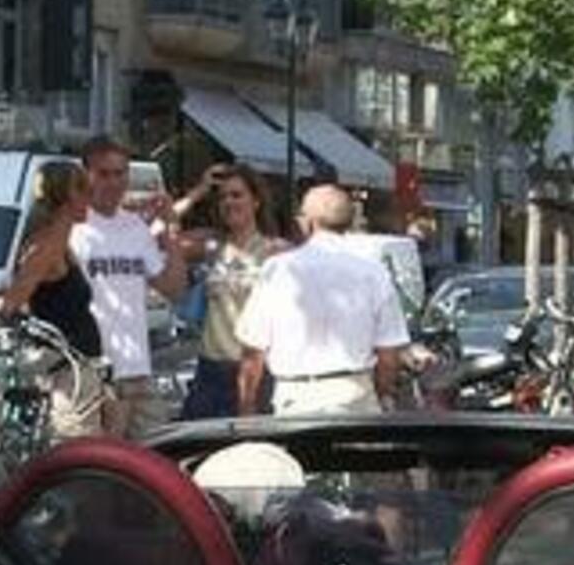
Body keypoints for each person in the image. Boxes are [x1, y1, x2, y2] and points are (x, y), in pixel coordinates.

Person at [235, 184, 412, 415]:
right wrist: (383, 394)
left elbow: (253, 350)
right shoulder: (373, 273)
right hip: (354, 395)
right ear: (349, 222)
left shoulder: (278, 270)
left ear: (307, 223)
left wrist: (246, 405)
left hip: (296, 398)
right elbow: (388, 354)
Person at [67, 136, 193, 438]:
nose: (113, 182)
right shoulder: (73, 228)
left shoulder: (135, 227)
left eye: (120, 173)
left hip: (137, 369)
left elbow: (174, 289)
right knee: (98, 467)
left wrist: (172, 232)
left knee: (159, 458)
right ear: (87, 176)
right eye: (104, 174)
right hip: (92, 369)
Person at [0, 162, 111, 441]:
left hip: (82, 366)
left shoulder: (60, 241)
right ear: (68, 198)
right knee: (78, 452)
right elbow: (11, 302)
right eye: (83, 191)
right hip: (66, 372)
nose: (89, 199)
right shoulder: (45, 246)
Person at [181, 165, 282, 420]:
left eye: (237, 195)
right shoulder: (212, 246)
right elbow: (158, 238)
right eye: (223, 197)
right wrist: (198, 192)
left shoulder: (275, 251)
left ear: (256, 201)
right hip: (210, 369)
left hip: (255, 369)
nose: (229, 202)